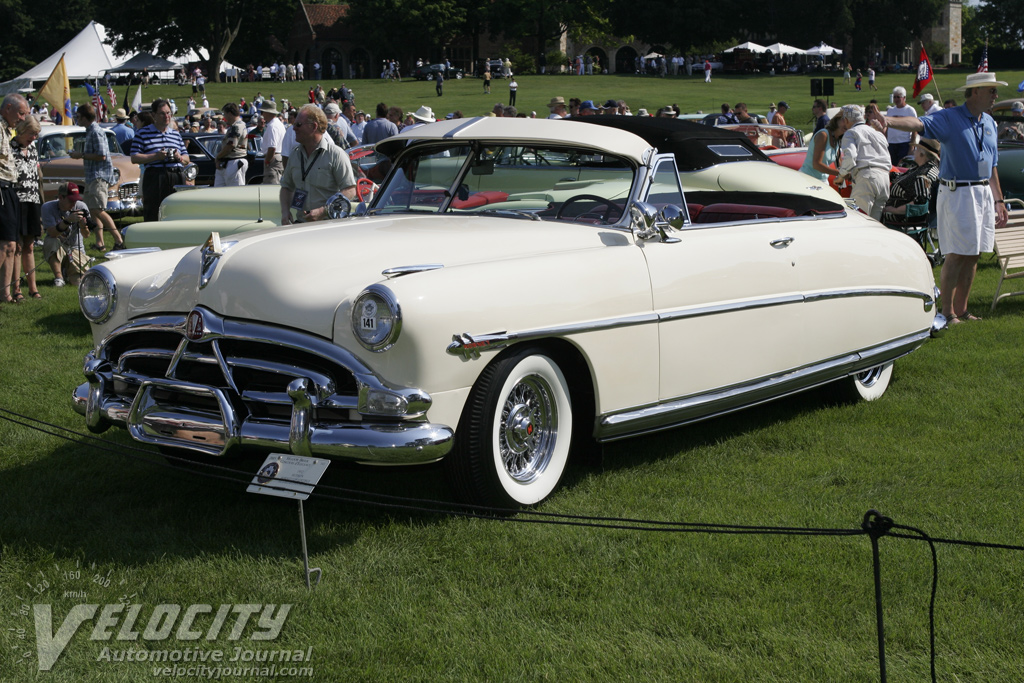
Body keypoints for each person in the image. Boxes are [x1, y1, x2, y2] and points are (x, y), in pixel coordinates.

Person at [872, 71, 1010, 324]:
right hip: (958, 193)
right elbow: (919, 124)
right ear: (975, 92)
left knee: (974, 253)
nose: (996, 95)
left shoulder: (989, 122)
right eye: (991, 90)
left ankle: (963, 309)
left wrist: (999, 200)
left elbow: (992, 166)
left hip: (982, 193)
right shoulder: (949, 117)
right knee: (957, 254)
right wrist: (888, 121)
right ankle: (946, 312)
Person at [279, 104, 357, 225]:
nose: (294, 128)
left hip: (327, 226)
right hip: (300, 224)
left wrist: (323, 211)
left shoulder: (335, 154)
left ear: (314, 126)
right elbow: (287, 187)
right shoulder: (295, 155)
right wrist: (285, 211)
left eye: (298, 124)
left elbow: (350, 190)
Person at [67, 103, 124, 251]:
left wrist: (81, 155)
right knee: (92, 210)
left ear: (86, 117)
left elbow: (102, 155)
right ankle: (100, 243)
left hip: (99, 176)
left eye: (78, 117)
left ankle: (119, 240)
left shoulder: (96, 132)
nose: (76, 119)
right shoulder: (90, 131)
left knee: (99, 210)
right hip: (92, 176)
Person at [130, 98, 190, 223]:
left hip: (176, 175)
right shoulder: (142, 133)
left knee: (176, 210)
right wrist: (155, 156)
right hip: (155, 176)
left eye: (168, 113)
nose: (166, 116)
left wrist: (179, 157)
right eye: (162, 113)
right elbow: (134, 157)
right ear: (153, 115)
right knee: (154, 211)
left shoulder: (175, 134)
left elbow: (187, 159)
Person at [836, 104, 891, 221]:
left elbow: (851, 157)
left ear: (846, 120)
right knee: (874, 223)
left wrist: (841, 176)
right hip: (885, 179)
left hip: (867, 177)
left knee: (858, 220)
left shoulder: (851, 133)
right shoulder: (878, 134)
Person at [0, 93, 28, 303]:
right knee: (5, 243)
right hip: (1, 187)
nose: (21, 118)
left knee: (11, 244)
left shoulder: (6, 129)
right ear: (7, 108)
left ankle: (6, 293)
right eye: (20, 113)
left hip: (10, 187)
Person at [11, 116, 42, 299]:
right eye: (31, 133)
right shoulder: (9, 147)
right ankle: (16, 289)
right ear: (22, 131)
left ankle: (33, 288)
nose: (33, 138)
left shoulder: (33, 148)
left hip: (32, 200)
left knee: (29, 246)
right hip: (16, 200)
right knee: (17, 246)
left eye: (36, 134)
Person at [41, 182, 92, 287]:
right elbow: (52, 233)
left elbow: (86, 235)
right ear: (61, 197)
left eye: (76, 200)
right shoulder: (48, 207)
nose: (74, 204)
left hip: (76, 250)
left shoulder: (81, 206)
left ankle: (67, 271)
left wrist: (83, 226)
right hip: (59, 247)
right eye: (71, 200)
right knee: (51, 240)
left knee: (79, 283)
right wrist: (68, 221)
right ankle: (59, 277)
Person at [881, 138, 941, 224]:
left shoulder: (923, 175)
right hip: (902, 215)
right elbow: (904, 177)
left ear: (921, 154)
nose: (914, 152)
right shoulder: (927, 168)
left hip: (902, 218)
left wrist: (893, 210)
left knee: (871, 212)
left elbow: (920, 202)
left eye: (916, 149)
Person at [213, 102, 248, 187]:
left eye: (225, 114)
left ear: (229, 113)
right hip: (228, 163)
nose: (224, 117)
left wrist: (218, 156)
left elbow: (231, 145)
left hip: (234, 162)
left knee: (235, 194)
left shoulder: (236, 126)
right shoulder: (239, 125)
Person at [799, 115, 842, 183]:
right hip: (808, 179)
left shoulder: (837, 138)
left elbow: (839, 163)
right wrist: (841, 174)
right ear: (837, 122)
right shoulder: (823, 135)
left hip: (823, 180)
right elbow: (816, 165)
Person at [882, 86, 918, 165]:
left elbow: (915, 129)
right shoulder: (891, 110)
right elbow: (886, 128)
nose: (896, 99)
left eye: (898, 97)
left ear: (904, 97)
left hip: (904, 143)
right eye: (894, 97)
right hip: (891, 143)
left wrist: (912, 146)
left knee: (902, 166)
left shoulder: (910, 110)